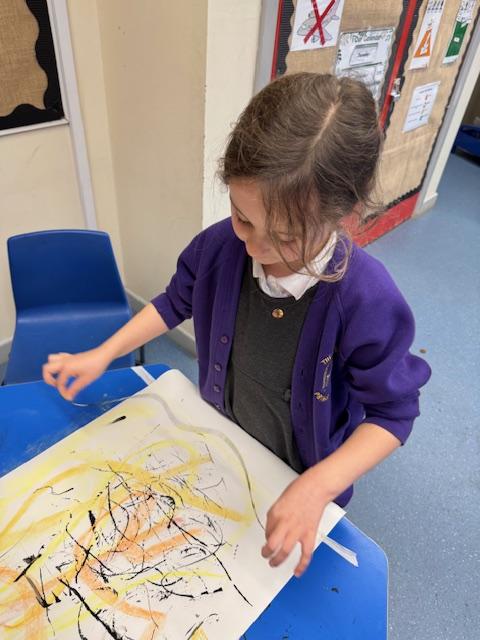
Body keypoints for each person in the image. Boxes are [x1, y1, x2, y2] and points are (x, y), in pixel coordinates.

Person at [43, 73, 431, 578]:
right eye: (243, 218)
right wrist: (103, 353)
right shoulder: (218, 247)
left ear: (345, 212)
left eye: (287, 237)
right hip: (225, 447)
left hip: (300, 473)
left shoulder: (366, 299)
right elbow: (174, 302)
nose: (256, 248)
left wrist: (317, 486)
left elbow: (393, 412)